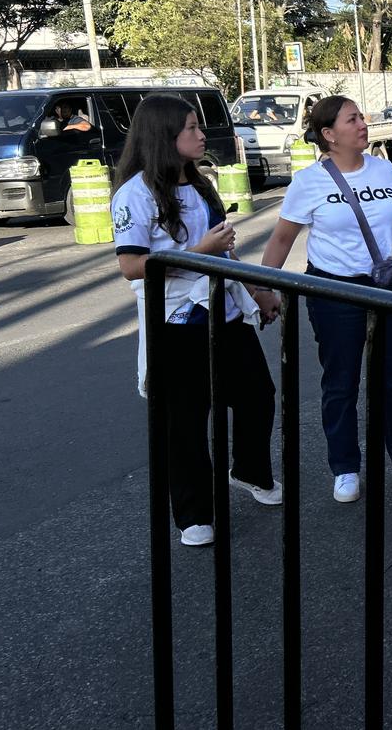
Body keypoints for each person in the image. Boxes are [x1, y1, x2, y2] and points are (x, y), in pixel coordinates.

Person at [110, 94, 282, 548]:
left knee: (258, 397)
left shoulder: (202, 185)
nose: (201, 134)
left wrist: (257, 292)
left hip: (224, 314)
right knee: (184, 424)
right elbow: (131, 265)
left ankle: (248, 471)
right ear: (164, 136)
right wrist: (198, 252)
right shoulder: (134, 194)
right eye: (190, 128)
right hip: (175, 324)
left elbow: (226, 252)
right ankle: (193, 514)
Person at [258, 95, 392, 503]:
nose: (363, 124)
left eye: (362, 117)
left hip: (388, 288)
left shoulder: (385, 170)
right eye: (353, 120)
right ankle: (345, 468)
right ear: (329, 135)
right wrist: (261, 287)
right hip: (334, 291)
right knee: (341, 382)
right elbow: (282, 238)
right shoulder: (308, 182)